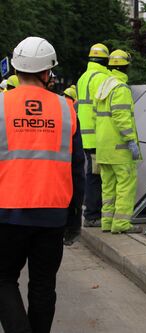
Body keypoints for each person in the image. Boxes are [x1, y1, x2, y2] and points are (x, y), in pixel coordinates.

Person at [0, 36, 85, 333]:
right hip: (52, 214)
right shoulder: (65, 109)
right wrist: (75, 216)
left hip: (6, 212)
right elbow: (78, 167)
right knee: (43, 285)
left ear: (15, 68)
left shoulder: (0, 105)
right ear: (47, 72)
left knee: (3, 279)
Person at [95, 49, 142, 234]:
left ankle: (107, 222)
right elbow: (121, 116)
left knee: (108, 187)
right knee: (125, 184)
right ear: (126, 66)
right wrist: (131, 140)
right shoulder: (120, 88)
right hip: (119, 148)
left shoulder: (104, 86)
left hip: (103, 148)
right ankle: (121, 224)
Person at [77, 43, 110, 228]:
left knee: (92, 173)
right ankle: (92, 215)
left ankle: (91, 212)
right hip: (99, 135)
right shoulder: (102, 78)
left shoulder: (84, 77)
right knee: (95, 176)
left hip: (86, 135)